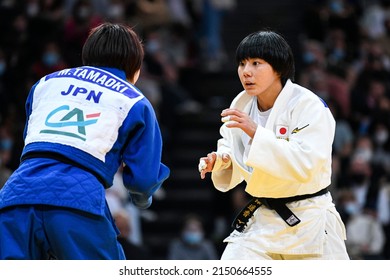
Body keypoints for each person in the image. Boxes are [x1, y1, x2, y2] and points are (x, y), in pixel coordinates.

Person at [0, 22, 170, 260]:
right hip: (77, 201)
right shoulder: (134, 100)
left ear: (87, 55)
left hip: (15, 196)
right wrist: (142, 200)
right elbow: (142, 181)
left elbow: (32, 143)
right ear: (135, 67)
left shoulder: (44, 84)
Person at [198, 30, 349, 260]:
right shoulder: (241, 105)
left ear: (278, 68)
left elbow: (306, 162)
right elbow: (231, 151)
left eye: (256, 63)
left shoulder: (308, 106)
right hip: (263, 222)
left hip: (310, 219)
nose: (246, 71)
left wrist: (256, 132)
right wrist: (220, 162)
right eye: (242, 63)